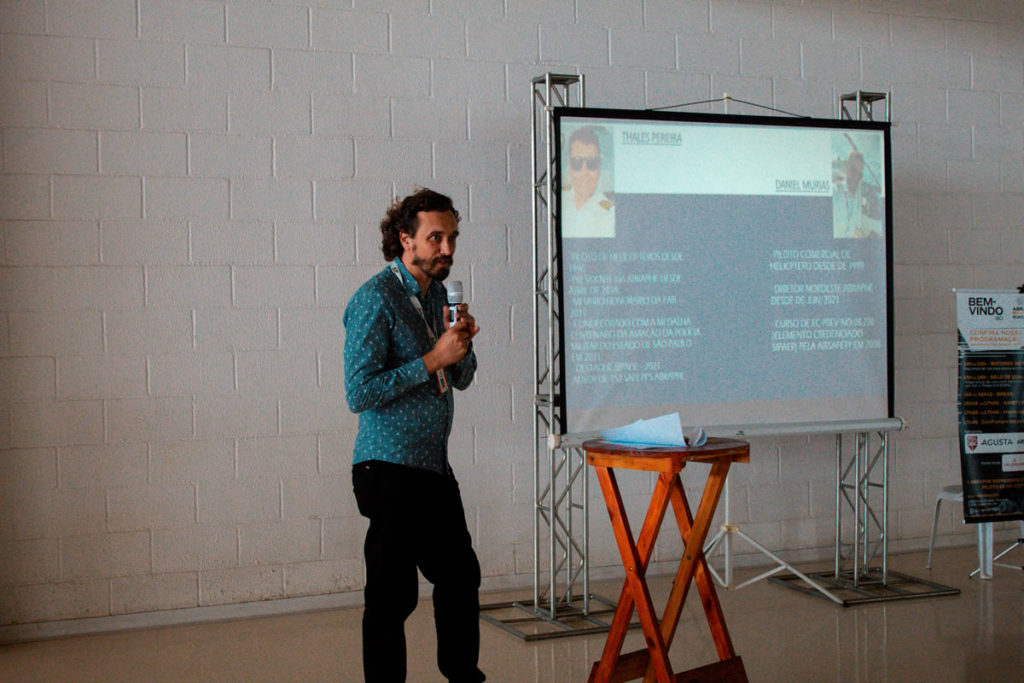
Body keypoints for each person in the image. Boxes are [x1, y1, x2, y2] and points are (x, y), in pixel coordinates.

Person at [343, 188, 484, 682]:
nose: (448, 249)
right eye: (436, 238)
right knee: (393, 595)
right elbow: (359, 392)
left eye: (453, 238)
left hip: (431, 466)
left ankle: (463, 677)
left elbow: (461, 379)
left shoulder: (439, 297)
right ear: (405, 239)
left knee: (460, 576)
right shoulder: (375, 299)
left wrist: (460, 347)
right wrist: (432, 359)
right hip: (386, 467)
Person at [561, 126, 615, 238]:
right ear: (570, 166)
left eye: (592, 163)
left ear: (599, 167)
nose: (584, 172)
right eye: (577, 163)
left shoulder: (610, 215)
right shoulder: (560, 198)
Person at [833, 149, 882, 239]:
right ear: (847, 168)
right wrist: (852, 234)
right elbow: (837, 233)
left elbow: (857, 223)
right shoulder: (836, 193)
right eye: (853, 171)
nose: (855, 178)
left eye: (859, 175)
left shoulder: (857, 192)